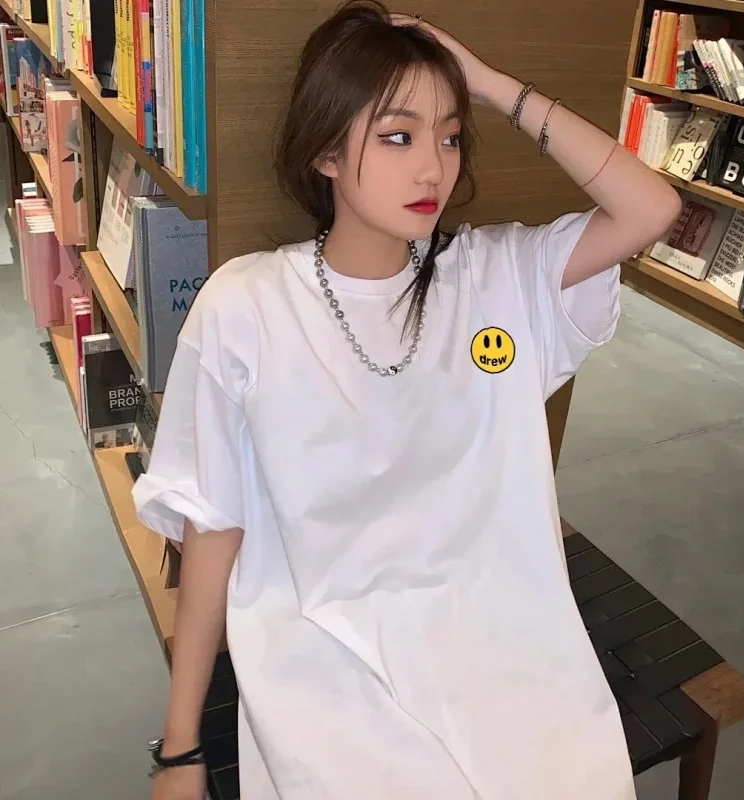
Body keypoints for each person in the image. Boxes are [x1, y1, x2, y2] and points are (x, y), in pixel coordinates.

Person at [132, 2, 681, 798]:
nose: (433, 169)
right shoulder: (245, 305)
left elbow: (652, 209)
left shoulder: (497, 276)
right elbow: (211, 523)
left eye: (449, 137)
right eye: (398, 137)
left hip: (508, 649)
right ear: (326, 150)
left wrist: (489, 86)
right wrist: (180, 748)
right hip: (325, 668)